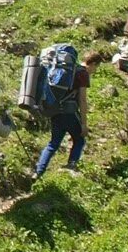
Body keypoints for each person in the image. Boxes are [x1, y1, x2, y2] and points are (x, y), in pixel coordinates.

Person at [34, 50, 100, 178]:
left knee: (53, 144)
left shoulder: (67, 69)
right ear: (92, 64)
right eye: (96, 67)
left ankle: (38, 171)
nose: (95, 71)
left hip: (55, 110)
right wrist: (84, 124)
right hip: (69, 112)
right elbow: (82, 99)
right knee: (80, 139)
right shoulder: (82, 73)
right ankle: (71, 165)